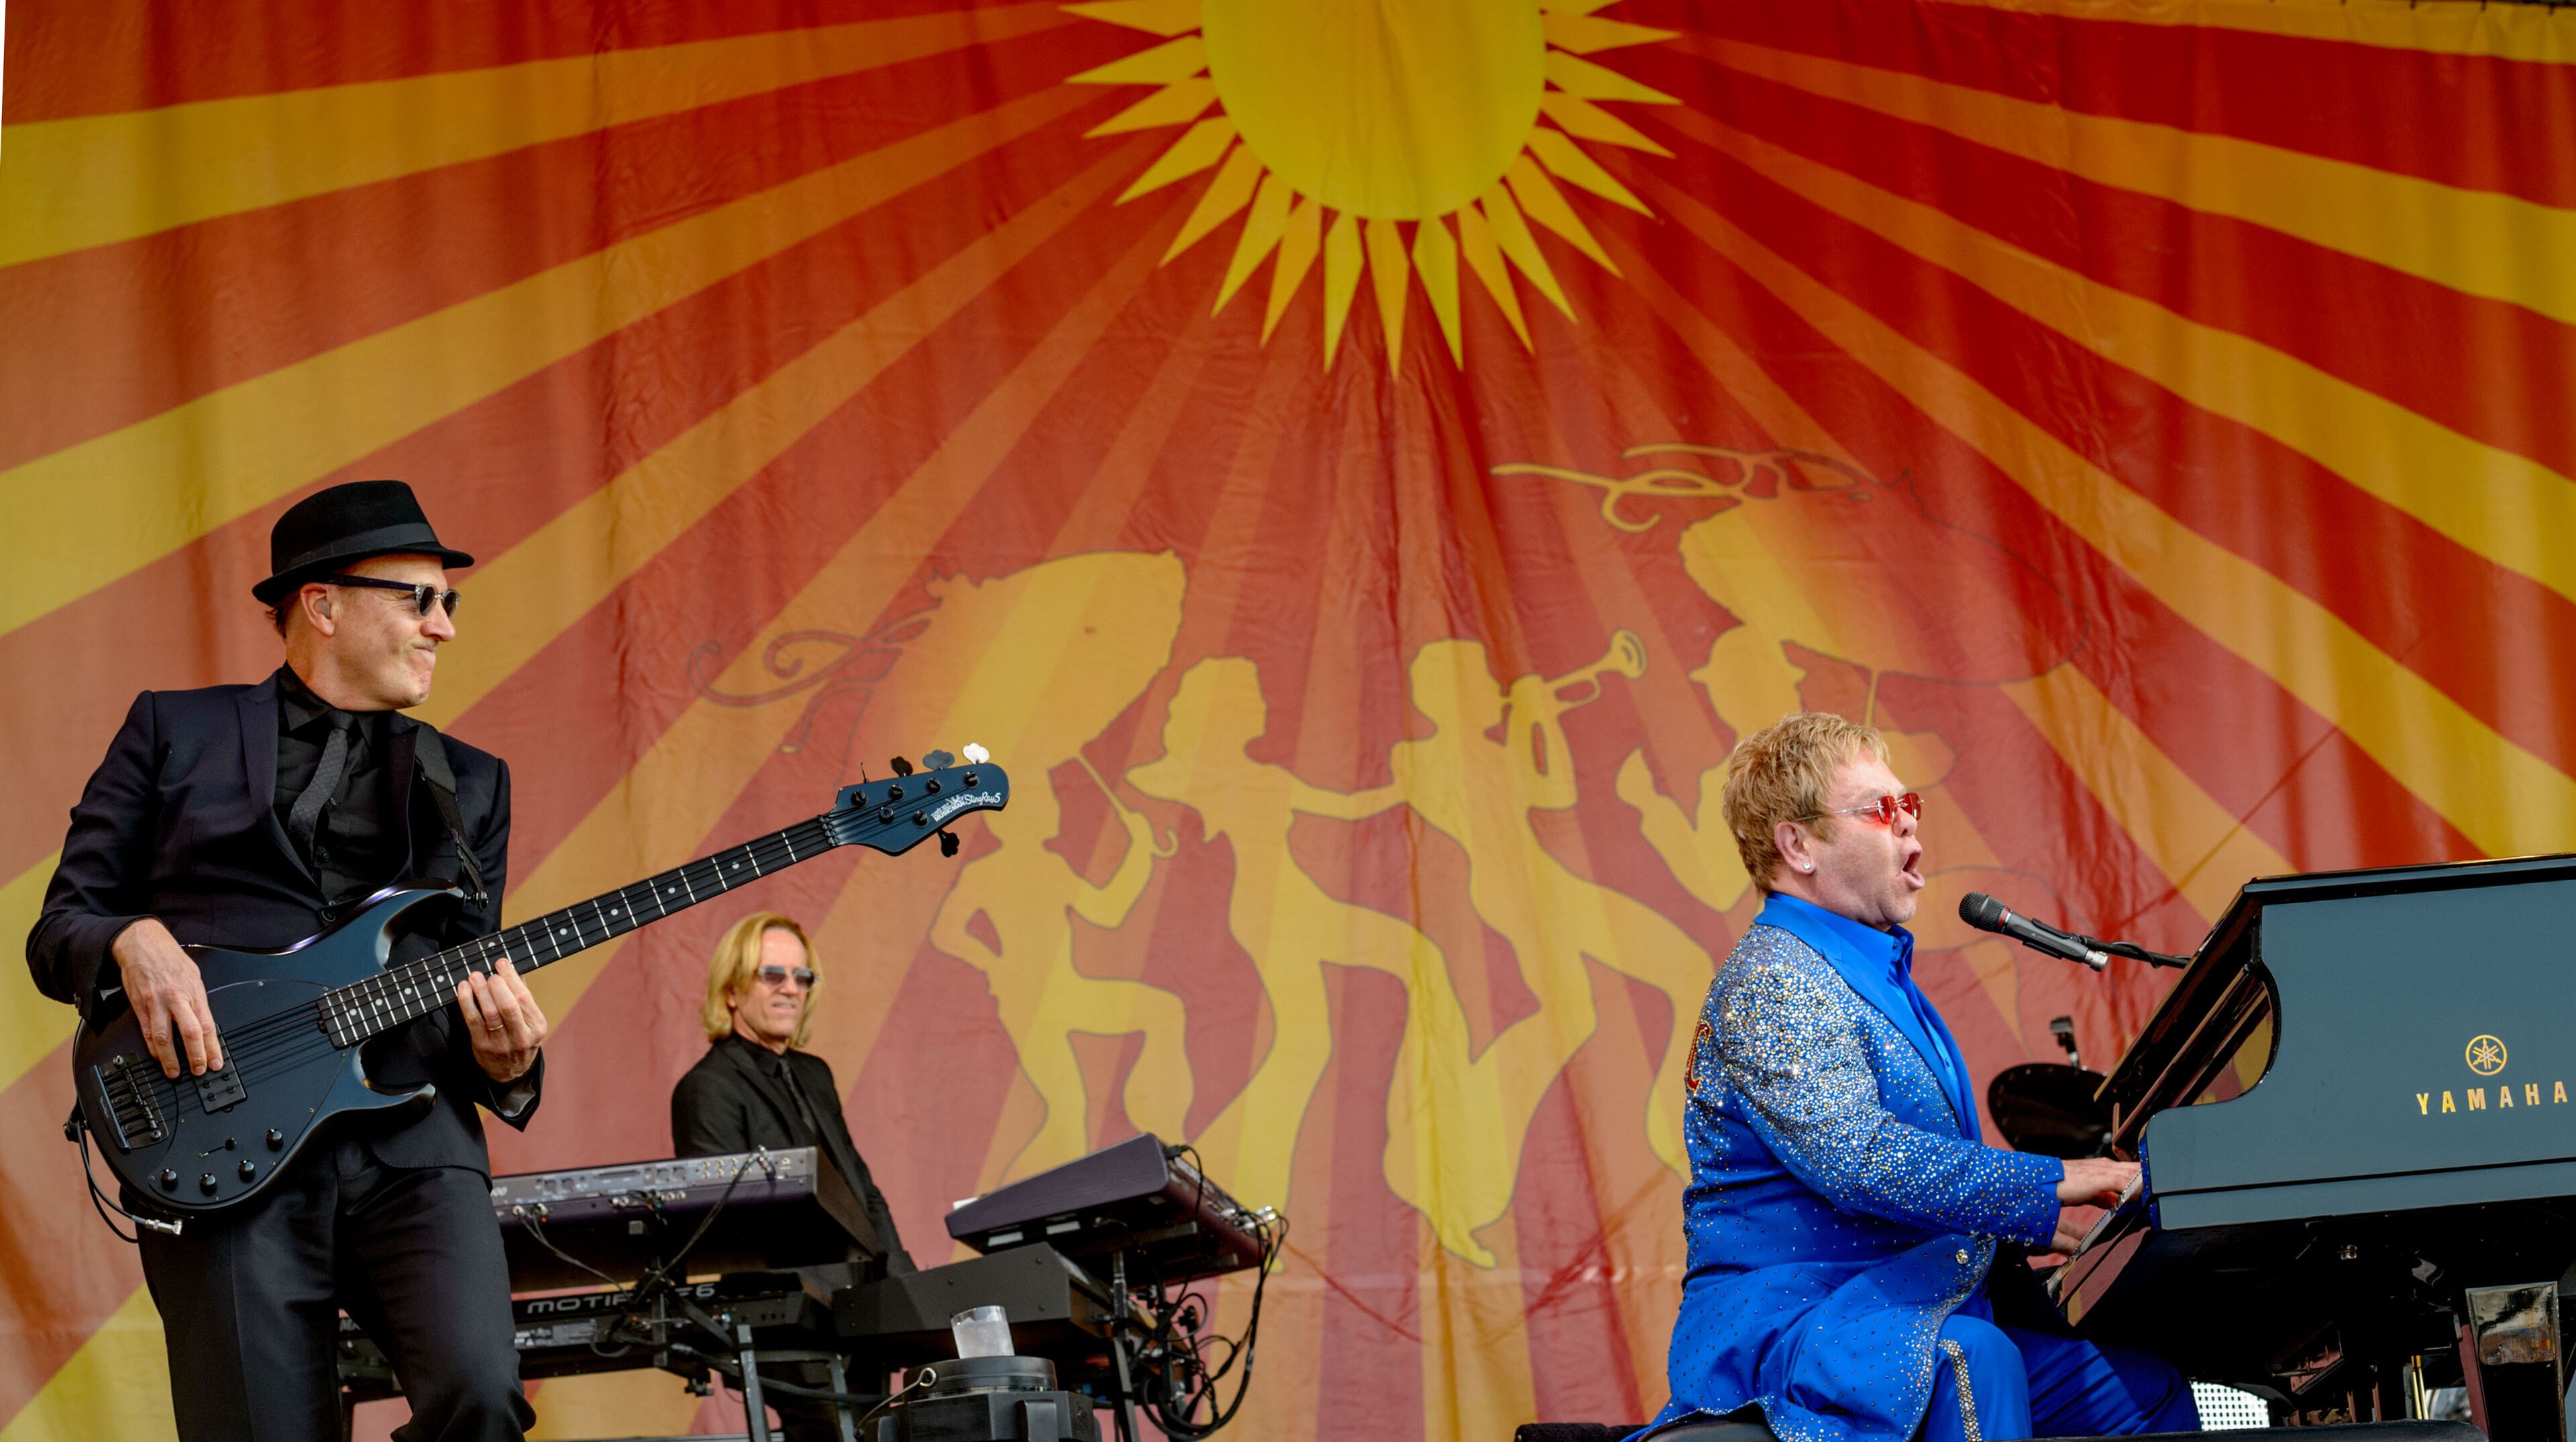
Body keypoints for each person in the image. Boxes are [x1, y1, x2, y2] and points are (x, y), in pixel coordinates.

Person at [28, 478, 548, 1441]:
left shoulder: (471, 781)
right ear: (323, 603)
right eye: (419, 599)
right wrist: (129, 937)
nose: (444, 628)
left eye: (450, 603)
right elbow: (62, 927)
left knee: (480, 1395)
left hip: (413, 1139)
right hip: (218, 1127)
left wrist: (509, 1061)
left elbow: (471, 971)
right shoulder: (170, 731)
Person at [1638, 713, 2196, 1442]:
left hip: (1896, 1309)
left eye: (1913, 807)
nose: (1913, 831)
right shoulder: (1775, 975)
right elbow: (1861, 1156)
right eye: (1882, 810)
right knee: (1976, 1358)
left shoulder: (1878, 973)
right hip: (1794, 1324)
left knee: (2145, 1395)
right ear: (1798, 845)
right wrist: (2052, 1178)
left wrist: (2025, 1225)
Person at [670, 911, 913, 1273]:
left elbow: (863, 1191)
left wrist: (906, 1288)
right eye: (773, 976)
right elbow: (729, 1229)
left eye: (802, 978)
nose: (790, 989)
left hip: (859, 1293)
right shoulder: (707, 1087)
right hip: (793, 1303)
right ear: (732, 989)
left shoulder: (814, 1073)